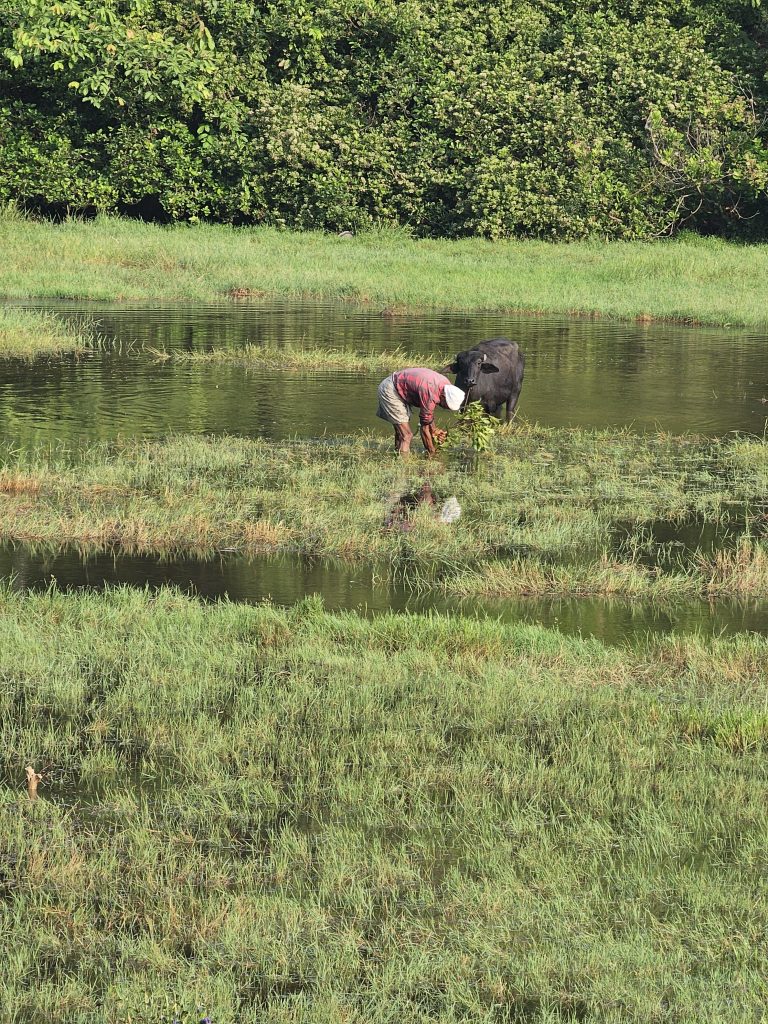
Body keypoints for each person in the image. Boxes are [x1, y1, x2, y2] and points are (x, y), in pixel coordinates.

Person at [376, 367, 465, 455]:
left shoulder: (446, 386)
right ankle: (403, 465)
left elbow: (428, 415)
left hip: (400, 387)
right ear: (443, 397)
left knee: (401, 433)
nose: (445, 408)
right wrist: (432, 453)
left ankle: (396, 455)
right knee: (406, 435)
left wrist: (434, 430)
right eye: (446, 405)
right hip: (391, 390)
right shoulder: (430, 393)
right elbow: (424, 428)